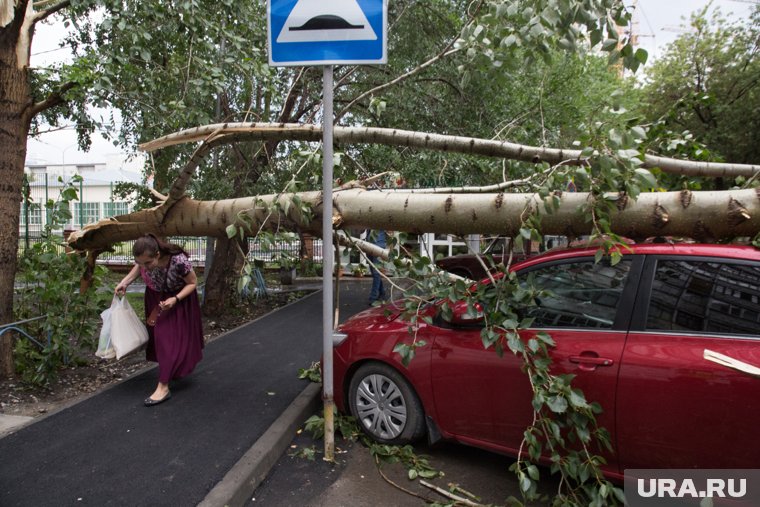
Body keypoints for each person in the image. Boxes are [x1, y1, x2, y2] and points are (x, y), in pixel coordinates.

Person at [115, 234, 204, 407]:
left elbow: (193, 283)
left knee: (166, 339)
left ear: (157, 254)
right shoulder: (144, 262)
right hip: (155, 299)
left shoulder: (178, 260)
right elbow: (138, 267)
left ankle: (163, 387)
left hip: (178, 300)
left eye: (148, 263)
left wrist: (175, 299)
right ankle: (171, 370)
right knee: (160, 339)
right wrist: (125, 282)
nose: (145, 268)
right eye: (141, 263)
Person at [366, 229, 387, 305]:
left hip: (378, 246)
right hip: (368, 246)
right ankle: (382, 293)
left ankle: (373, 298)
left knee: (376, 273)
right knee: (374, 273)